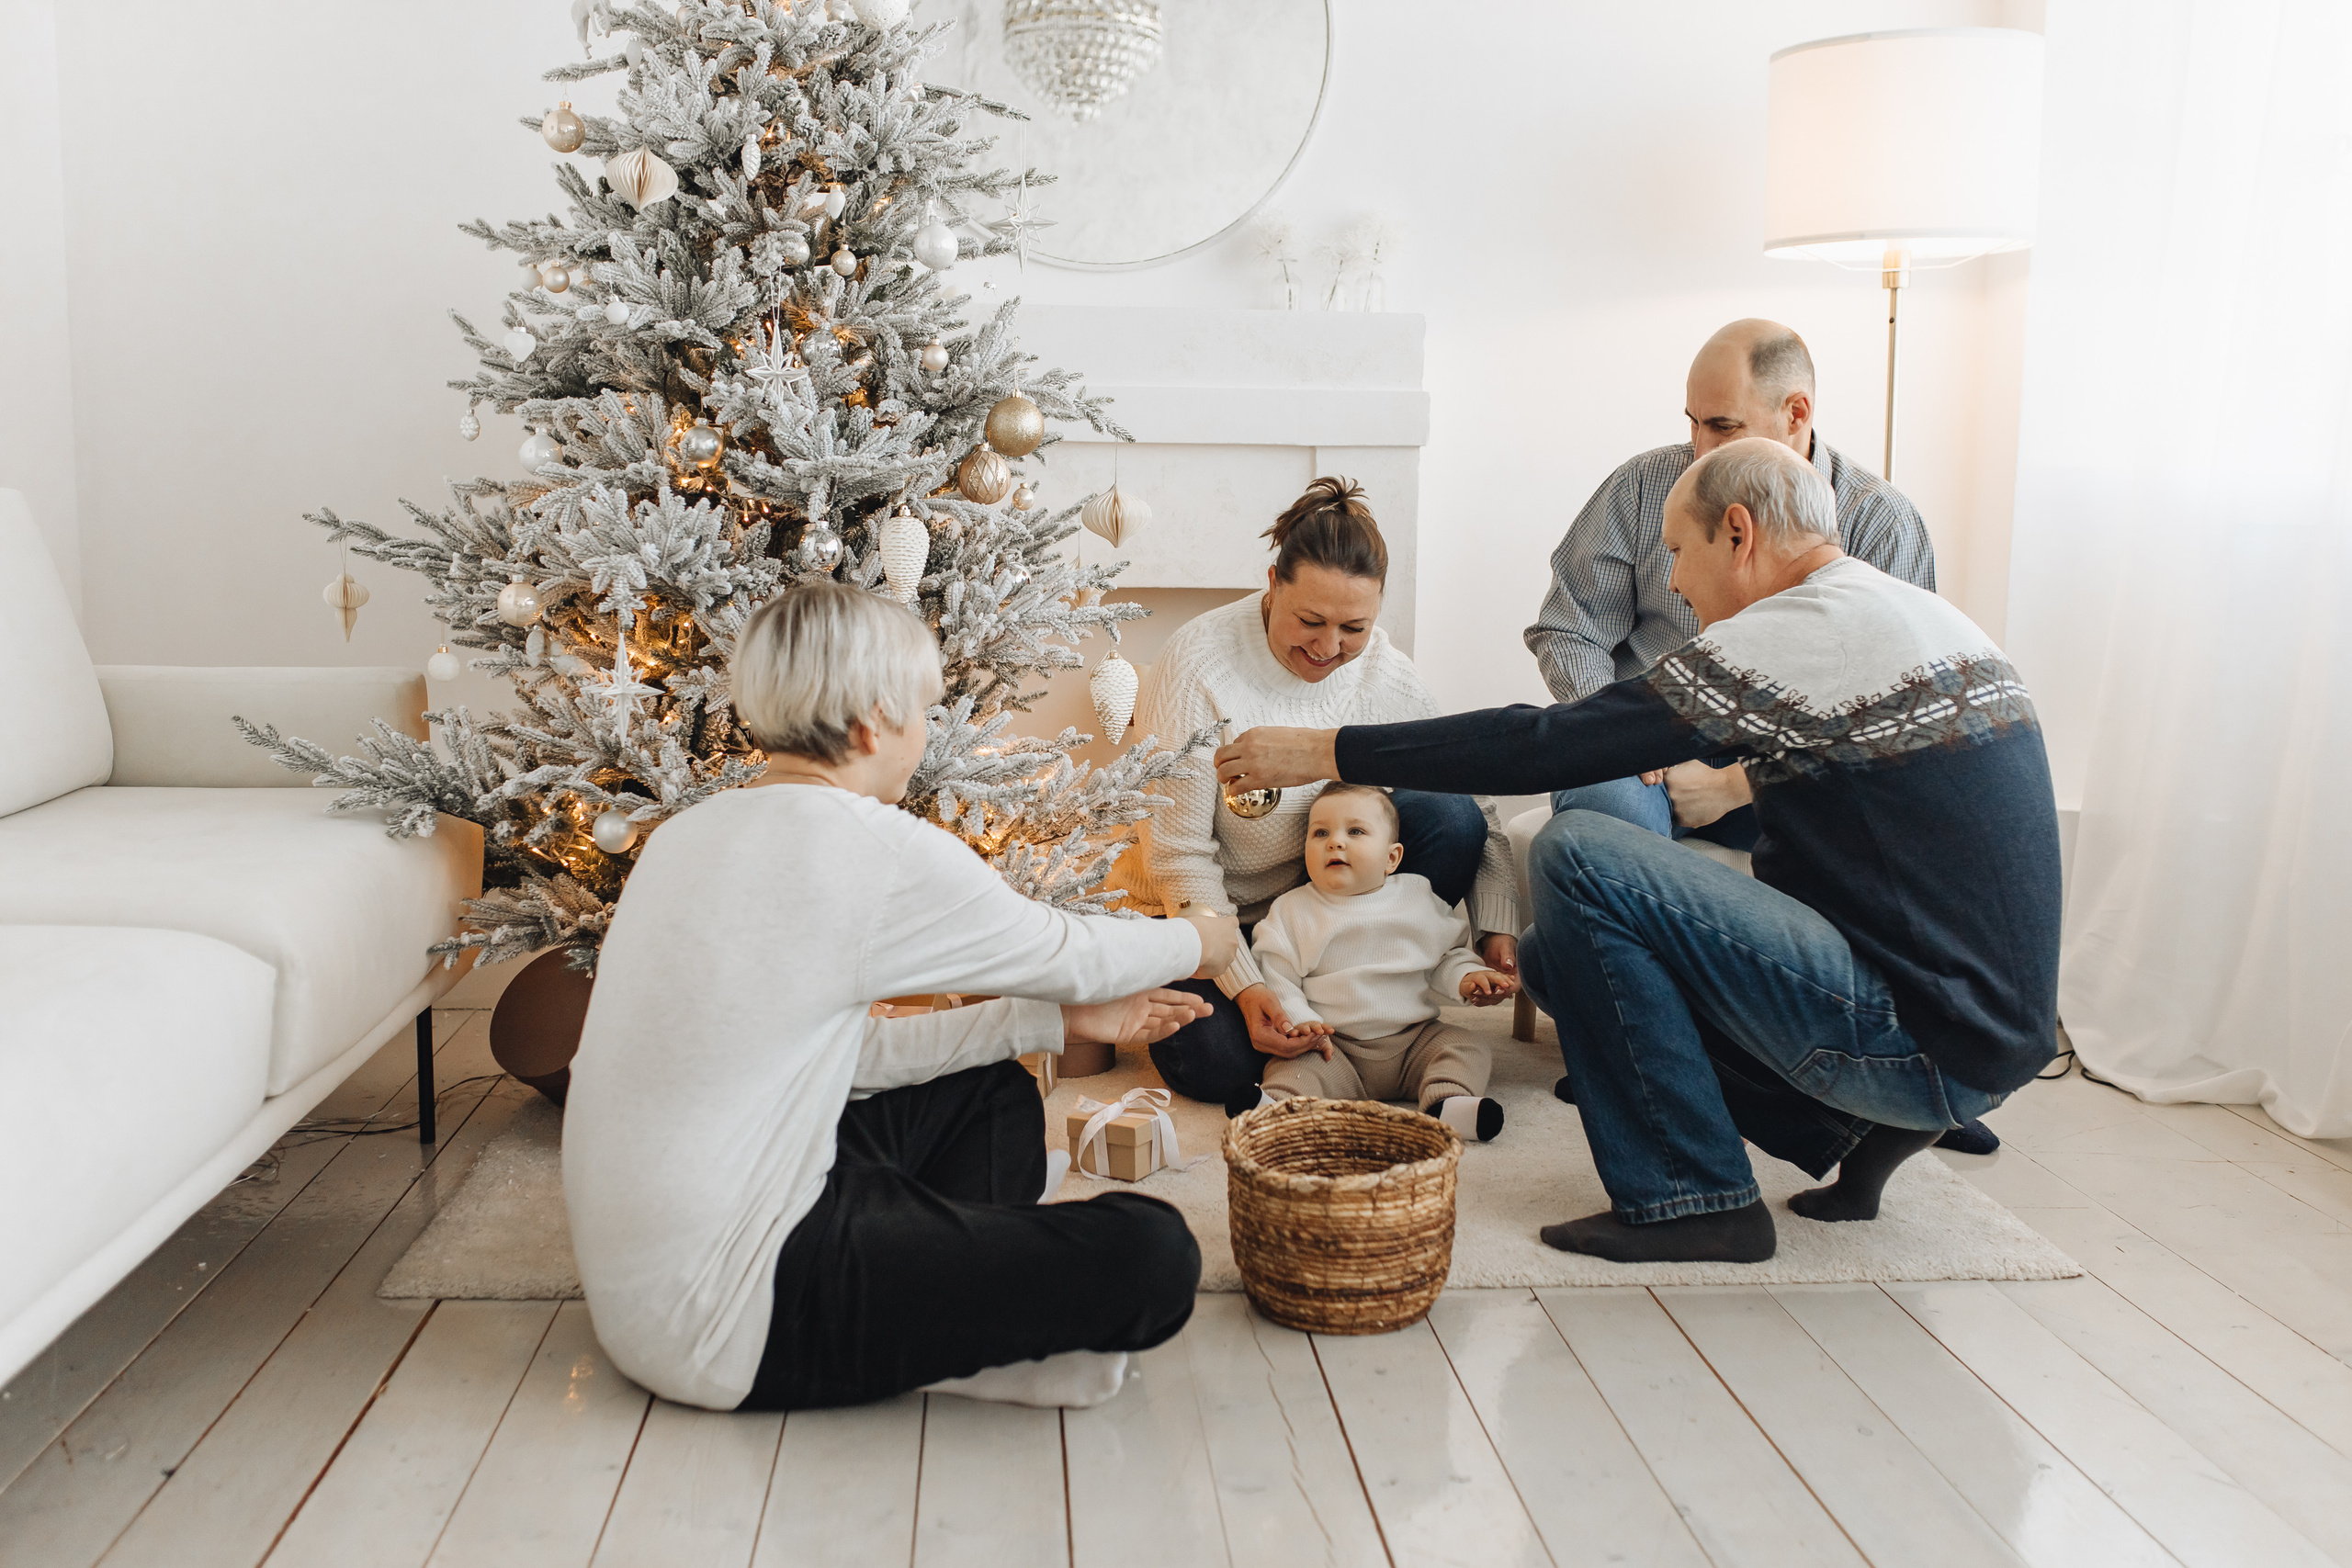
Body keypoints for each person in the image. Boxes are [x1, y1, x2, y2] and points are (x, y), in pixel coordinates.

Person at [1213, 439, 2061, 1265]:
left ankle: (1691, 1197)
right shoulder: (1906, 612)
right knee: (1555, 962)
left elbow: (1546, 745)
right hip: (1982, 1035)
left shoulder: (1798, 627)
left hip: (1917, 1034)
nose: (1680, 587)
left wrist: (1323, 753)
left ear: (1740, 531)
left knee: (1578, 849)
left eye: (1679, 554)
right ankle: (1858, 1128)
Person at [563, 581, 1243, 1413]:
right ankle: (963, 1338)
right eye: (924, 710)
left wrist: (1050, 1025)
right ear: (869, 723)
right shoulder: (867, 845)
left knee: (990, 1092)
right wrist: (1204, 937)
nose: (927, 733)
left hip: (650, 1284)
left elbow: (835, 1058)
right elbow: (1067, 950)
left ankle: (940, 1305)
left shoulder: (684, 836)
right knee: (1156, 1250)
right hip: (735, 1314)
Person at [1526, 319, 1997, 1159]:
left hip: (1800, 773)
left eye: (1722, 426)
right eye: (1692, 422)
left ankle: (1897, 1073)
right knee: (1591, 815)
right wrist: (1626, 742)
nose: (1696, 445)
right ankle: (1643, 1045)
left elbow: (1895, 723)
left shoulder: (1883, 524)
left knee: (1867, 842)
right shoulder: (1642, 492)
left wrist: (1748, 783)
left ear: (1796, 414)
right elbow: (1567, 629)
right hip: (1646, 757)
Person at [1110, 478, 1521, 1106]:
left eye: (1354, 627)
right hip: (1222, 922)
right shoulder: (1196, 664)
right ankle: (1336, 1028)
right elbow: (1178, 857)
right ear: (1273, 583)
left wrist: (1497, 927)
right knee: (1217, 1065)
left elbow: (1478, 810)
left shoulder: (1388, 677)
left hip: (1335, 913)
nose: (1329, 649)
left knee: (1449, 814)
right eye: (1310, 620)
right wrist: (1248, 988)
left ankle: (1373, 1004)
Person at [1226, 784, 1517, 1140]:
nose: (1335, 842)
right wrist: (1302, 1024)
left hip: (1414, 1041)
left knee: (1468, 1047)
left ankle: (1448, 1103)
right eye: (1320, 833)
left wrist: (1469, 976)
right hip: (1334, 1048)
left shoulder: (1416, 896)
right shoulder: (1291, 910)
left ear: (1391, 858)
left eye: (1356, 831)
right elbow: (1278, 978)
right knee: (1294, 1068)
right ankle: (1275, 1109)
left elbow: (1444, 956)